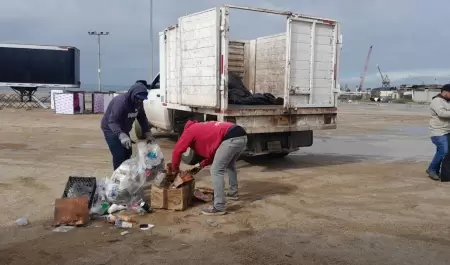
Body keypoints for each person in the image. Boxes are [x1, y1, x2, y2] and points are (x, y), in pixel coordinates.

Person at [172, 120, 247, 215]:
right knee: (229, 165)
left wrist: (175, 170)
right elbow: (215, 155)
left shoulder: (189, 131)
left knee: (216, 170)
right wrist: (199, 166)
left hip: (230, 138)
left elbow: (177, 151)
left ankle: (219, 207)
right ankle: (233, 193)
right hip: (241, 135)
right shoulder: (202, 128)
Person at [101, 80, 154, 170]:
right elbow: (112, 122)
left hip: (124, 129)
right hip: (111, 128)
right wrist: (121, 135)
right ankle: (118, 179)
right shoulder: (121, 102)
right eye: (138, 98)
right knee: (119, 155)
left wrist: (147, 132)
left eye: (142, 99)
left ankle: (127, 177)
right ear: (132, 94)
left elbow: (142, 118)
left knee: (128, 154)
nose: (139, 101)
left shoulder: (139, 104)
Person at [427, 84, 450, 180]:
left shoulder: (447, 101)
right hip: (438, 132)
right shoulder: (436, 101)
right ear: (445, 92)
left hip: (447, 131)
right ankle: (431, 169)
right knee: (444, 151)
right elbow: (442, 113)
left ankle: (436, 171)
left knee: (442, 152)